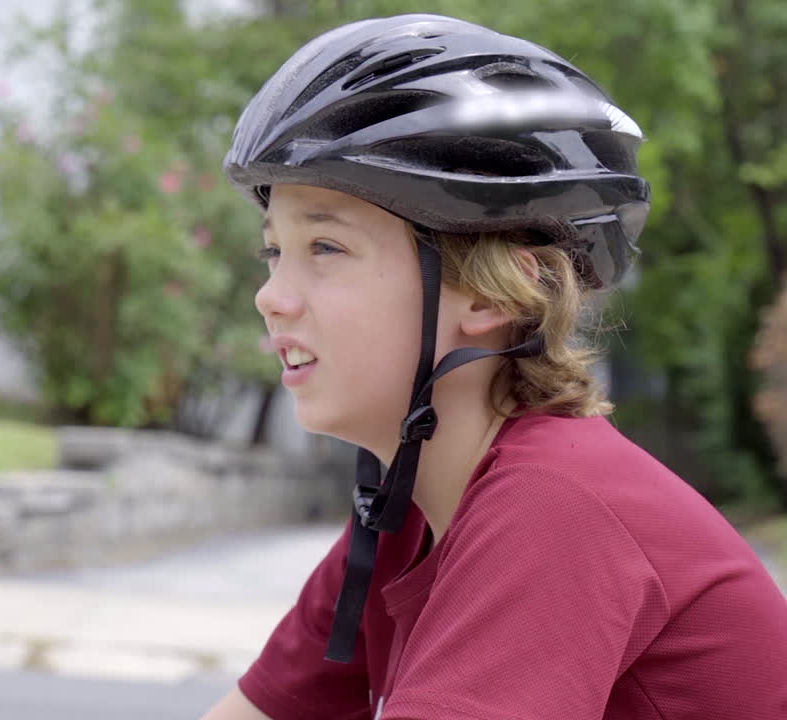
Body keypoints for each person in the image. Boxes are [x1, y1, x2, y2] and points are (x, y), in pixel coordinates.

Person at [201, 13, 787, 720]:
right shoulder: (400, 516)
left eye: (325, 247)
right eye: (274, 251)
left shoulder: (556, 506)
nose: (271, 297)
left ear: (490, 291)